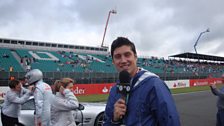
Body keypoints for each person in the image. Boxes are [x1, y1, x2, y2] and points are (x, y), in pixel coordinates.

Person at [103, 37, 180, 126]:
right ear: (113, 61)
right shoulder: (114, 90)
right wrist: (114, 120)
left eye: (127, 55)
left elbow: (171, 121)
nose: (123, 60)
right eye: (118, 57)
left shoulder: (154, 85)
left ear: (135, 57)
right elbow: (107, 122)